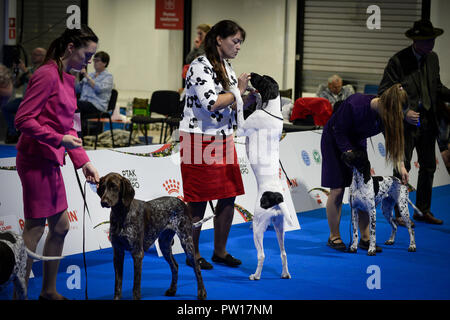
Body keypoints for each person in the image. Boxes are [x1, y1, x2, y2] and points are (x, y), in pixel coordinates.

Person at [14, 25, 100, 300]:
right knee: (36, 228)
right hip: (34, 158)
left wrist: (83, 161)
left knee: (60, 226)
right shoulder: (46, 74)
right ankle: (19, 294)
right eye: (88, 54)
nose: (89, 61)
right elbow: (23, 120)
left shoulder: (68, 79)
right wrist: (58, 139)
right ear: (71, 48)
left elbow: (71, 127)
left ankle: (48, 291)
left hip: (51, 159)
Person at [179, 20, 256, 269]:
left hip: (223, 136)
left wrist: (248, 97)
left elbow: (231, 103)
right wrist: (238, 92)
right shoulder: (199, 65)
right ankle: (193, 253)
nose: (238, 46)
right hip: (197, 138)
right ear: (219, 40)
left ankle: (220, 251)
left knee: (228, 195)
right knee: (198, 199)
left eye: (240, 42)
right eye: (235, 41)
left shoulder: (227, 67)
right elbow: (210, 103)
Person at [378, 19, 450, 225]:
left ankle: (423, 210)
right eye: (427, 40)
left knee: (429, 166)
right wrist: (404, 112)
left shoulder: (433, 58)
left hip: (428, 122)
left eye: (433, 40)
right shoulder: (398, 61)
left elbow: (436, 88)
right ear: (415, 41)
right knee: (403, 167)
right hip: (406, 125)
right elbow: (384, 93)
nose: (431, 44)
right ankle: (399, 213)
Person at [321, 84, 408, 252]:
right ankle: (334, 236)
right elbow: (338, 130)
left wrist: (402, 166)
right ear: (385, 104)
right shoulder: (355, 104)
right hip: (334, 140)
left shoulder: (388, 115)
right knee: (337, 189)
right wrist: (349, 153)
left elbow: (395, 141)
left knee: (365, 190)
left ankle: (365, 237)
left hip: (357, 142)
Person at [1, 47, 46, 144]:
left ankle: (25, 134)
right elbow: (16, 84)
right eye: (32, 54)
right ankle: (14, 133)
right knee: (6, 108)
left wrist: (24, 70)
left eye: (36, 55)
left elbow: (36, 82)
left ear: (43, 57)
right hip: (25, 100)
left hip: (38, 101)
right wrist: (15, 72)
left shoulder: (45, 70)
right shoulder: (29, 69)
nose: (33, 57)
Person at [76, 51, 113, 136]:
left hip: (97, 106)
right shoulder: (90, 75)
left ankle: (78, 135)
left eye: (97, 60)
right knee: (71, 105)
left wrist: (86, 76)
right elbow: (77, 90)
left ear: (104, 63)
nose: (95, 63)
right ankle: (77, 134)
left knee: (75, 105)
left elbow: (99, 89)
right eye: (94, 60)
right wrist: (75, 76)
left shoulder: (108, 77)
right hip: (85, 104)